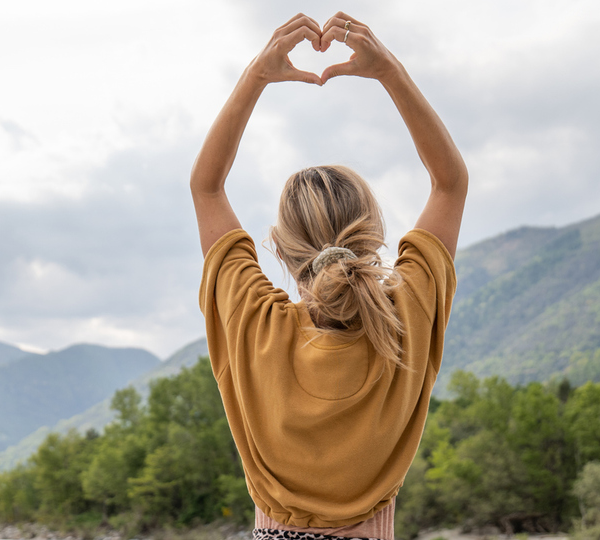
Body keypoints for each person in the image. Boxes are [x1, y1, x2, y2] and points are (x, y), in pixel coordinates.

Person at [192, 12, 467, 540]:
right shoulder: (404, 322)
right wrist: (389, 71)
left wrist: (257, 75)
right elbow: (450, 184)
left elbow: (206, 188)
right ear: (373, 237)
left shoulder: (255, 325)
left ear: (282, 246)